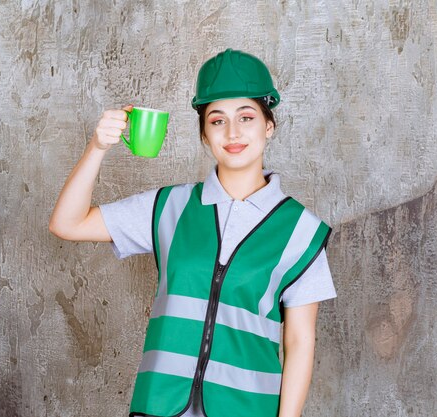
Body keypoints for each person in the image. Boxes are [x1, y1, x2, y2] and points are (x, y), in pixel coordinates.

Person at [49, 49, 336, 417]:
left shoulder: (302, 232)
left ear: (269, 125)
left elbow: (299, 341)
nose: (232, 132)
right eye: (217, 121)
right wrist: (98, 148)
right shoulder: (168, 207)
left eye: (246, 117)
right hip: (160, 405)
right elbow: (66, 223)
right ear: (204, 134)